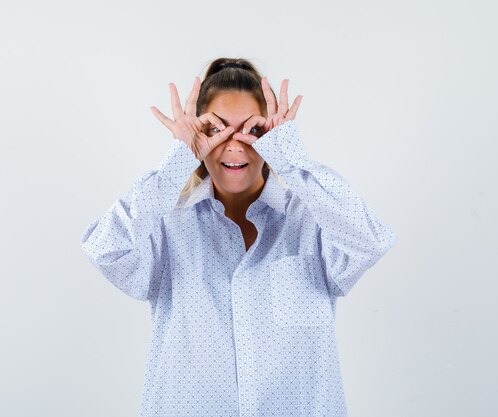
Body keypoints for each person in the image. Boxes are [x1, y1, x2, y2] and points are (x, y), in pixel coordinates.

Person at [80, 57, 397, 417]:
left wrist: (291, 159)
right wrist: (177, 162)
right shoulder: (167, 224)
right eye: (216, 131)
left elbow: (370, 241)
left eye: (253, 131)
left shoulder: (313, 219)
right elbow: (105, 250)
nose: (235, 145)